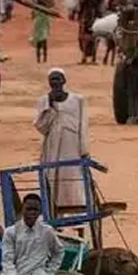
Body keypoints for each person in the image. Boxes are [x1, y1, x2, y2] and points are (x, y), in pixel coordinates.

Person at [35, 68, 89, 213]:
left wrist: (84, 150)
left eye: (58, 79)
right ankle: (54, 217)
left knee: (73, 182)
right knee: (52, 181)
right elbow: (41, 127)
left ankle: (79, 221)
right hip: (52, 147)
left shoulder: (78, 100)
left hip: (72, 147)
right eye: (52, 79)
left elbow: (82, 126)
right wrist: (50, 107)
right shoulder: (43, 101)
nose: (55, 82)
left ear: (64, 81)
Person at [31, 0, 53, 64]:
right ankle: (42, 59)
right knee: (42, 43)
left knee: (41, 43)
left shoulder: (41, 6)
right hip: (40, 25)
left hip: (41, 25)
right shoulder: (40, 6)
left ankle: (41, 59)